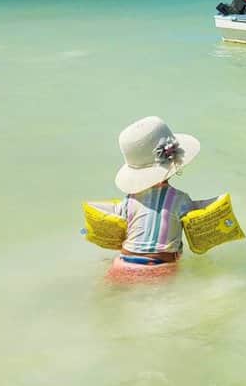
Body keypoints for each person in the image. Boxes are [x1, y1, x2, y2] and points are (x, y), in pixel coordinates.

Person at [87, 116, 218, 273]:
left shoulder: (129, 199)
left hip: (123, 262)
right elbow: (198, 220)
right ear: (174, 162)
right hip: (159, 266)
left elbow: (116, 220)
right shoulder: (181, 199)